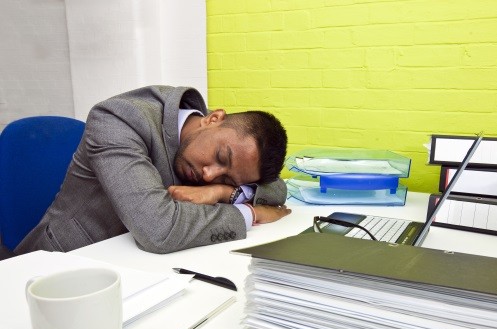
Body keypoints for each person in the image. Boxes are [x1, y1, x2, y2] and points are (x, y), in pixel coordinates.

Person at [15, 85, 291, 255]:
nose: (209, 174)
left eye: (226, 176)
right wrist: (248, 212)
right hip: (62, 260)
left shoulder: (225, 142)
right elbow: (158, 229)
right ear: (213, 118)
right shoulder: (119, 119)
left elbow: (278, 188)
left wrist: (222, 192)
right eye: (220, 156)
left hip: (140, 266)